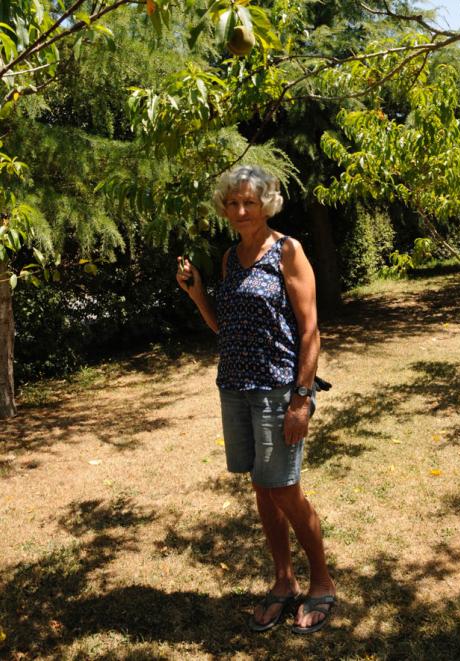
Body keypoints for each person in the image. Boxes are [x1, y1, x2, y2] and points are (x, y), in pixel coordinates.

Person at [176, 165, 336, 634]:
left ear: (266, 204)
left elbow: (310, 330)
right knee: (262, 487)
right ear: (225, 209)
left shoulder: (288, 251)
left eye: (250, 201)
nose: (242, 210)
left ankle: (321, 583)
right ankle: (283, 581)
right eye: (233, 203)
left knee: (284, 487)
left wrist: (301, 400)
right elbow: (226, 329)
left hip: (277, 391)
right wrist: (198, 293)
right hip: (235, 389)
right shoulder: (230, 257)